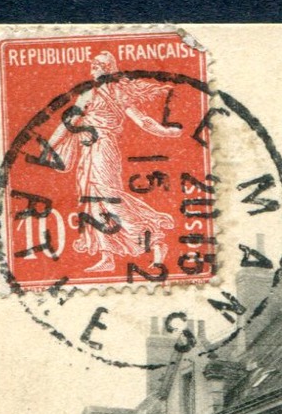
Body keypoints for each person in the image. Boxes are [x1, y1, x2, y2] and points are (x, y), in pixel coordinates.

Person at [47, 52, 184, 273]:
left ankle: (154, 241)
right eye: (93, 64)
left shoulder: (115, 94)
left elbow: (142, 121)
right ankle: (107, 256)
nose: (94, 68)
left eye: (100, 65)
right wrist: (49, 145)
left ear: (109, 69)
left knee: (108, 198)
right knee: (92, 200)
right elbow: (68, 122)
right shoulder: (88, 93)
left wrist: (166, 132)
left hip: (103, 148)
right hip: (88, 150)